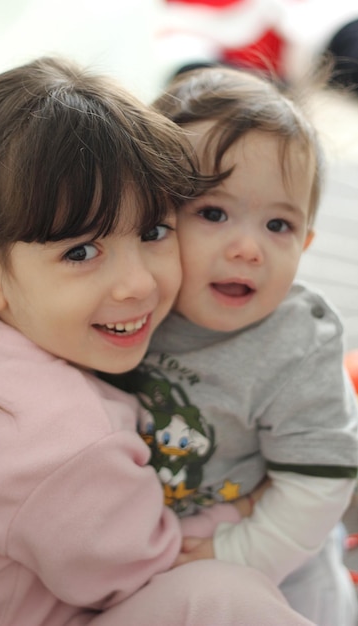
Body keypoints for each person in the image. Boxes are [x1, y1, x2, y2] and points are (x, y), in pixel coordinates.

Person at [0, 56, 320, 626]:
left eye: (153, 231)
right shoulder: (63, 440)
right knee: (225, 596)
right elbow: (148, 569)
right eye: (80, 251)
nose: (140, 282)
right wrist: (241, 507)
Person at [106, 65, 358, 625]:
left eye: (279, 226)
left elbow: (320, 483)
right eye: (213, 213)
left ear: (307, 243)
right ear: (152, 218)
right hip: (151, 550)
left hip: (280, 567)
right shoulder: (131, 303)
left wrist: (239, 556)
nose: (249, 248)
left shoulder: (297, 344)